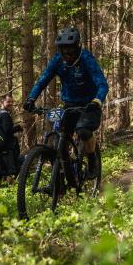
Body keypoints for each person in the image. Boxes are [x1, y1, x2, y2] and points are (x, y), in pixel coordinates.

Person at [24, 26, 109, 180]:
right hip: (69, 105)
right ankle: (65, 176)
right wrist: (31, 98)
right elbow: (42, 80)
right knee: (59, 140)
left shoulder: (86, 59)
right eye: (64, 51)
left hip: (90, 105)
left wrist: (97, 100)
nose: (67, 55)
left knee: (83, 130)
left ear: (78, 47)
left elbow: (102, 84)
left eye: (71, 51)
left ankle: (92, 161)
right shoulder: (58, 60)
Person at [0, 94, 23, 188]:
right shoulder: (5, 114)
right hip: (5, 146)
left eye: (12, 102)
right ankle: (11, 191)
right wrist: (18, 127)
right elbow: (7, 130)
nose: (10, 104)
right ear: (3, 102)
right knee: (11, 170)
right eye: (8, 102)